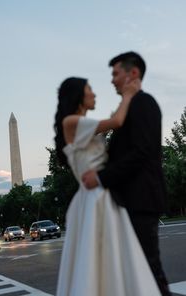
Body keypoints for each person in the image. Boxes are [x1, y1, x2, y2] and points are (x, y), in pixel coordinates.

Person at [54, 77, 161, 296]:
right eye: (89, 89)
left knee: (109, 258)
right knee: (103, 257)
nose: (94, 94)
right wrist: (129, 94)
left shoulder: (81, 124)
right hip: (95, 198)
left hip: (100, 195)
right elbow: (117, 121)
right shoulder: (71, 122)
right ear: (79, 97)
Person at [82, 52, 171, 296]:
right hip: (131, 200)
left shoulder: (144, 104)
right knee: (139, 273)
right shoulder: (131, 107)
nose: (112, 80)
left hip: (140, 199)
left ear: (133, 73)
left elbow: (141, 153)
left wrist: (100, 177)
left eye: (115, 73)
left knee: (149, 271)